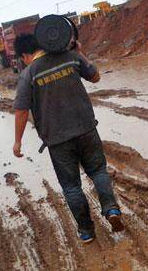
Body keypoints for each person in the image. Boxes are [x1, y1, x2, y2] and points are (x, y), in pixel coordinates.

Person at [12, 33, 123, 243]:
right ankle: (111, 210)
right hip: (86, 129)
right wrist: (80, 53)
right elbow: (95, 76)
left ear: (25, 55)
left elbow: (21, 110)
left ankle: (87, 231)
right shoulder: (70, 57)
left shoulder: (29, 74)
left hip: (58, 139)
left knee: (72, 186)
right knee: (98, 171)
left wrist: (18, 141)